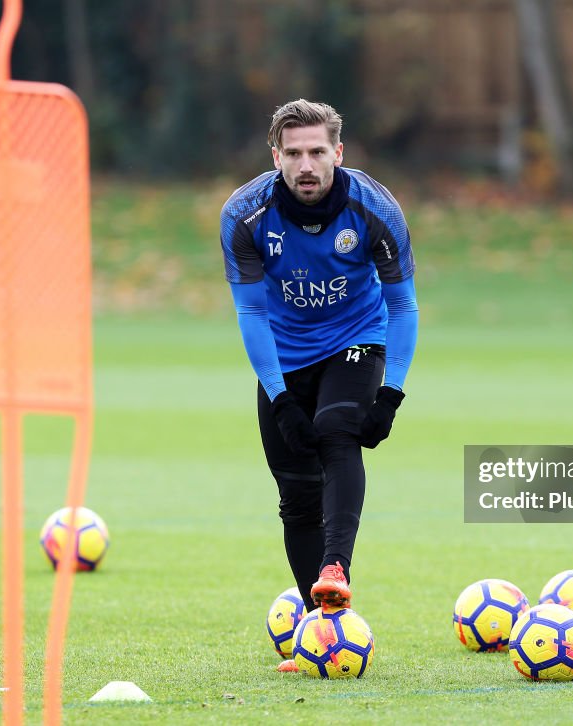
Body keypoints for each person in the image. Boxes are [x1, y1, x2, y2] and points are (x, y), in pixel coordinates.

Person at [220, 99, 418, 670]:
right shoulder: (245, 215)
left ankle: (337, 569)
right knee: (296, 496)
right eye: (294, 153)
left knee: (337, 431)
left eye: (317, 152)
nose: (307, 165)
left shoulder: (374, 209)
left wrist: (391, 393)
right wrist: (279, 397)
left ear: (338, 152)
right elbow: (252, 314)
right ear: (275, 155)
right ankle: (322, 629)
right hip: (284, 354)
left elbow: (403, 304)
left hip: (357, 338)